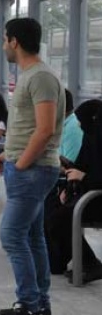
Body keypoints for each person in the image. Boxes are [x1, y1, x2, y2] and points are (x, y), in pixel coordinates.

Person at [0, 18, 64, 315]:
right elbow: (27, 125)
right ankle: (39, 304)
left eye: (6, 38)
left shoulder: (41, 77)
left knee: (11, 235)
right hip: (26, 167)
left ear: (15, 42)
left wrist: (20, 164)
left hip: (32, 171)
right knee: (33, 237)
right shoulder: (31, 75)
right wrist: (8, 154)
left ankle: (29, 303)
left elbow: (45, 129)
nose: (4, 44)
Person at [44, 99, 102, 284]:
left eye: (81, 120)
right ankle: (64, 261)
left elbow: (89, 173)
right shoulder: (91, 137)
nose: (79, 124)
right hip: (89, 196)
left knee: (61, 218)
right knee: (54, 210)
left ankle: (89, 263)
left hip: (96, 198)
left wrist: (83, 177)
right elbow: (81, 166)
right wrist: (69, 186)